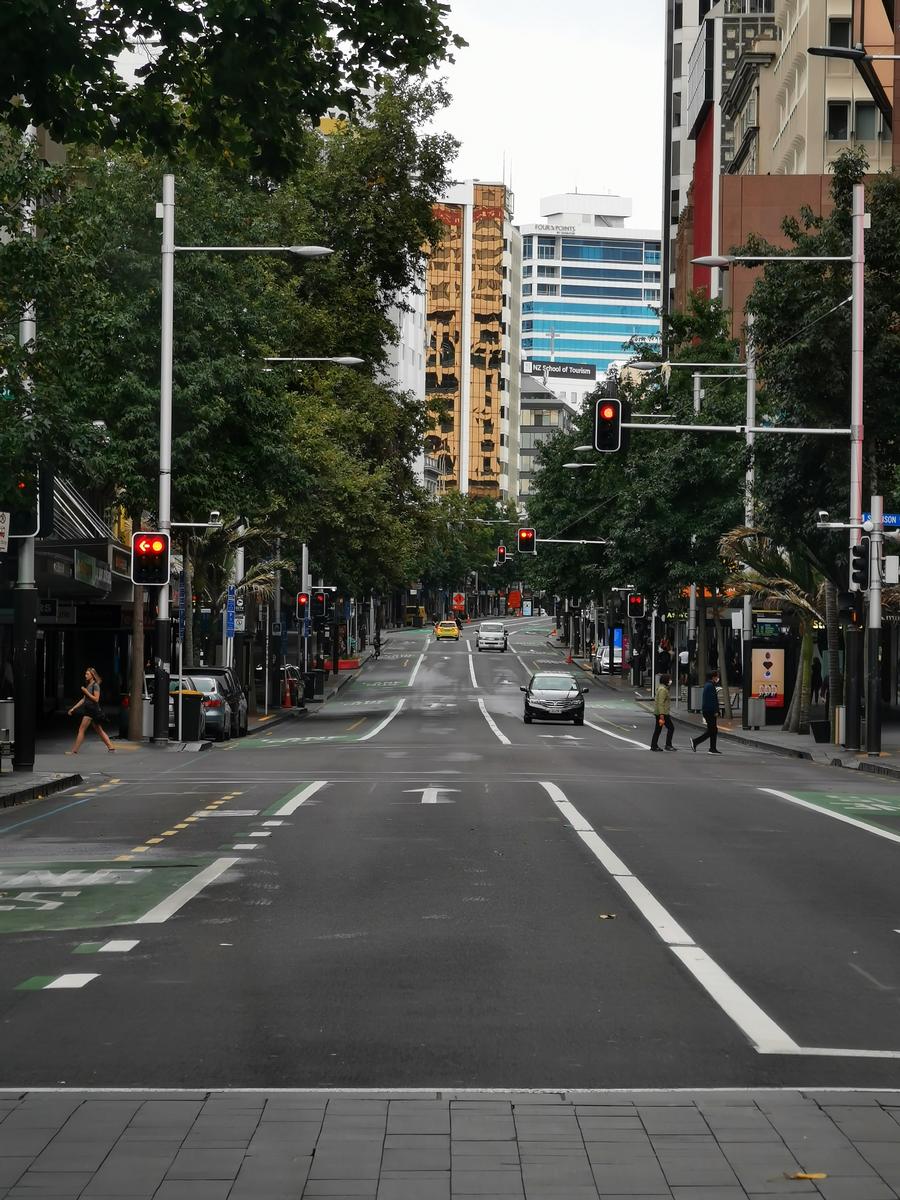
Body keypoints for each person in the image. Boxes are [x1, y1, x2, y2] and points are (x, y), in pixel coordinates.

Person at [67, 667, 115, 754]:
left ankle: (74, 751)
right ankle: (111, 747)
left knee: (81, 730)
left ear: (92, 675)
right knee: (99, 730)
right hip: (90, 710)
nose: (85, 676)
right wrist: (73, 708)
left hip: (92, 711)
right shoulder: (88, 685)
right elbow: (83, 700)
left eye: (87, 674)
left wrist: (86, 692)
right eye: (85, 674)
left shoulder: (95, 685)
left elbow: (96, 699)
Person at [691, 671, 722, 754]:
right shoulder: (710, 686)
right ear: (713, 677)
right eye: (717, 676)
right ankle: (696, 741)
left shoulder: (708, 685)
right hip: (710, 711)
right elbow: (712, 700)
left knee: (713, 730)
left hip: (708, 711)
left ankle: (712, 748)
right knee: (712, 730)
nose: (718, 678)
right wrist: (716, 711)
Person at [650, 673, 676, 752]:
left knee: (658, 729)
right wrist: (662, 715)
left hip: (660, 713)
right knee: (671, 728)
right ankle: (668, 745)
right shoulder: (663, 690)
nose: (670, 681)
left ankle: (654, 745)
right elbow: (661, 703)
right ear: (666, 680)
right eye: (669, 679)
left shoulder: (662, 688)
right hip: (663, 713)